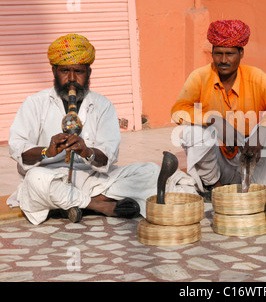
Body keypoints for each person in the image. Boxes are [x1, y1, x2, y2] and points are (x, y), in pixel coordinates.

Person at [8, 34, 167, 225]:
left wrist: (87, 151)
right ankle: (99, 205)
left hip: (92, 178)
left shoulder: (102, 105)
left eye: (79, 71)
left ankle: (70, 203)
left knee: (150, 172)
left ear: (89, 72)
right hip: (50, 175)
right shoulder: (35, 103)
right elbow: (18, 150)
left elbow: (109, 156)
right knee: (35, 179)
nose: (72, 79)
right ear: (54, 71)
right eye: (65, 71)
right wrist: (46, 152)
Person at [171, 19, 266, 199]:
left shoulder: (256, 76)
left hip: (252, 154)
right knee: (191, 132)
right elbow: (178, 110)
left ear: (241, 53)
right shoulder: (200, 76)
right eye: (218, 53)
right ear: (212, 53)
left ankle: (259, 187)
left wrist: (262, 130)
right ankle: (215, 186)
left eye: (229, 54)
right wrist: (215, 120)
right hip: (219, 160)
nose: (223, 60)